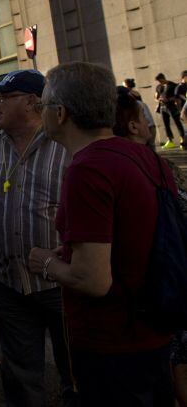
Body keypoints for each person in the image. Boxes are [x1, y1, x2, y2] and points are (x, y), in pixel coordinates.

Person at [29, 61, 175, 405]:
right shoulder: (144, 157)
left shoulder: (88, 169)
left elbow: (93, 279)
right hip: (153, 329)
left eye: (42, 106)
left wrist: (45, 263)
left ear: (60, 113)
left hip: (112, 343)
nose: (40, 113)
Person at [0, 69, 76, 407]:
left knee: (75, 371)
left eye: (6, 96)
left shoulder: (66, 145)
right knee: (19, 376)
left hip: (62, 284)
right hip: (8, 282)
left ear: (32, 102)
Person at [111, 88, 187, 406]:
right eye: (145, 117)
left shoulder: (101, 165)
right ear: (133, 126)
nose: (149, 123)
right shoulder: (153, 166)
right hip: (164, 289)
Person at [154, 72, 184, 149]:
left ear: (164, 78)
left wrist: (168, 99)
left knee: (178, 123)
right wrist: (158, 100)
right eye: (159, 81)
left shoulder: (173, 85)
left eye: (161, 80)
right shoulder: (158, 87)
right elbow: (155, 97)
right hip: (162, 107)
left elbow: (177, 96)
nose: (160, 82)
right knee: (165, 124)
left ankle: (183, 139)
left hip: (172, 107)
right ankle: (170, 141)